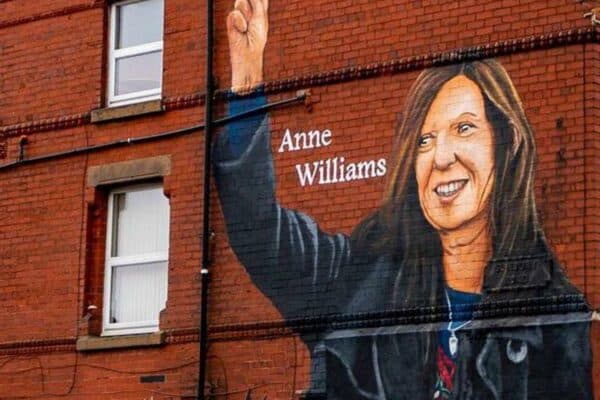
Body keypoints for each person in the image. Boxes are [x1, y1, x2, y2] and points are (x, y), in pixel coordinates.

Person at [214, 0, 593, 398]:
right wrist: (247, 89)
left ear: (506, 144)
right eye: (425, 140)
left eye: (464, 128)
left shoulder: (554, 318)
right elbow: (259, 231)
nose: (442, 157)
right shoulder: (361, 282)